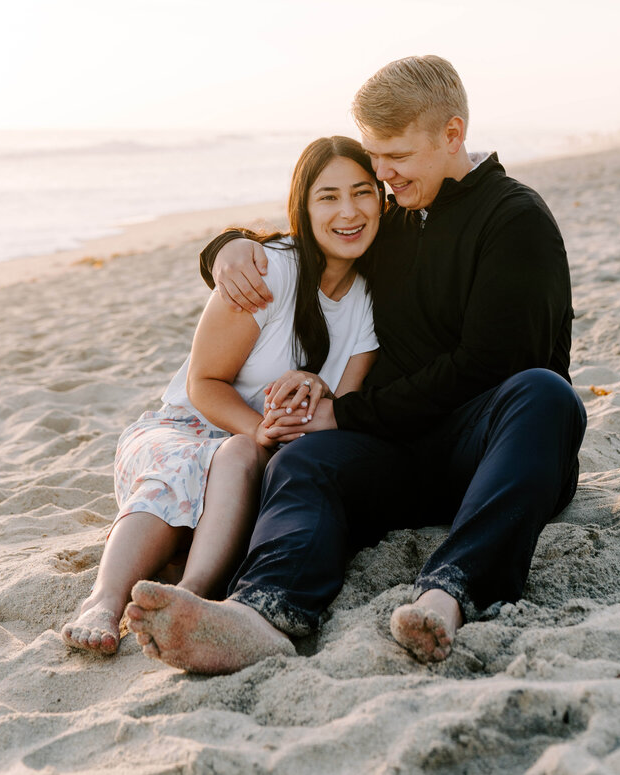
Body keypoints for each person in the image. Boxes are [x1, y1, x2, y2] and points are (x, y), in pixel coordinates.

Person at [125, 55, 587, 671]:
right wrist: (229, 248)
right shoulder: (394, 214)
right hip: (395, 454)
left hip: (496, 457)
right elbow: (315, 238)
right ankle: (261, 613)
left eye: (396, 156)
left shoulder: (514, 221)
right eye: (375, 155)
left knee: (544, 392)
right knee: (300, 457)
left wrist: (344, 413)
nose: (382, 173)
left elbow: (489, 366)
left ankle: (448, 594)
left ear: (452, 136)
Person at [62, 136, 382, 655]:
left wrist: (316, 385)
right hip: (186, 427)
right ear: (302, 206)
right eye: (328, 196)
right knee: (200, 463)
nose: (348, 211)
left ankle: (189, 595)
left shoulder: (371, 297)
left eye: (362, 192)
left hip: (260, 449)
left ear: (381, 200)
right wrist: (257, 428)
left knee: (240, 455)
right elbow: (202, 383)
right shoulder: (267, 271)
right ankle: (102, 600)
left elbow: (345, 405)